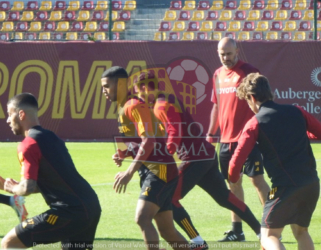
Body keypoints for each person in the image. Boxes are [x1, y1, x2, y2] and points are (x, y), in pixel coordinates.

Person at [132, 70, 261, 250]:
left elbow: (175, 132)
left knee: (170, 199)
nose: (139, 96)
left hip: (195, 158)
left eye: (138, 91)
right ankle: (261, 231)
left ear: (145, 88)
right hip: (206, 155)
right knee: (224, 197)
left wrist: (166, 156)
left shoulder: (161, 105)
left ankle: (198, 242)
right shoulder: (166, 100)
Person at [0, 93, 101, 249]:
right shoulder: (52, 137)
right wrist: (20, 183)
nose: (7, 120)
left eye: (9, 114)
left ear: (21, 114)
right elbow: (54, 180)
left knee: (10, 242)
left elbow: (27, 188)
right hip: (91, 206)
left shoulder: (28, 144)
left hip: (70, 212)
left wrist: (11, 187)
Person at [101, 66, 190, 250]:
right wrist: (122, 153)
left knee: (142, 218)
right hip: (155, 170)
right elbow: (136, 140)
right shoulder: (124, 107)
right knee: (167, 231)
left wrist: (129, 171)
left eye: (106, 86)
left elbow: (149, 140)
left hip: (160, 170)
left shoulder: (134, 105)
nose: (104, 91)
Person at [229, 73, 320, 250]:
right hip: (311, 183)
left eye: (247, 101)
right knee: (301, 232)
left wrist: (232, 178)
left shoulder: (254, 123)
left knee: (269, 236)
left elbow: (236, 162)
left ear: (252, 98)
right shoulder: (297, 111)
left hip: (285, 188)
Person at [206, 37, 270, 242]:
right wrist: (210, 134)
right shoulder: (217, 74)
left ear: (237, 52)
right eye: (222, 54)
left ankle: (271, 225)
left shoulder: (249, 72)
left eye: (229, 54)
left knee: (258, 181)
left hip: (248, 138)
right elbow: (216, 106)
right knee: (233, 184)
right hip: (225, 140)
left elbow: (262, 102)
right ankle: (237, 230)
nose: (225, 58)